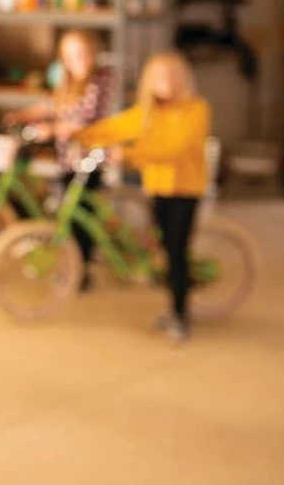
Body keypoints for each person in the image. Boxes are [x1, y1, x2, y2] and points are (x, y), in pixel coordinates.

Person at [76, 51, 210, 343]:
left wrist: (129, 155)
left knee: (176, 250)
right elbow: (115, 127)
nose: (167, 81)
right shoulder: (148, 111)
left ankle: (180, 316)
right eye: (160, 76)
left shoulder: (196, 109)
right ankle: (172, 301)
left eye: (173, 75)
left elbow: (174, 149)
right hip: (157, 188)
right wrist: (77, 134)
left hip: (185, 191)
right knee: (161, 246)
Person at [5, 30, 113, 289]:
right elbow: (51, 105)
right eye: (71, 55)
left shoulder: (98, 83)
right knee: (67, 211)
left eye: (82, 53)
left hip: (88, 161)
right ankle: (73, 263)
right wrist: (22, 115)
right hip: (68, 160)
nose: (78, 60)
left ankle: (81, 269)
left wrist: (51, 129)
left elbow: (85, 120)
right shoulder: (67, 85)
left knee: (78, 217)